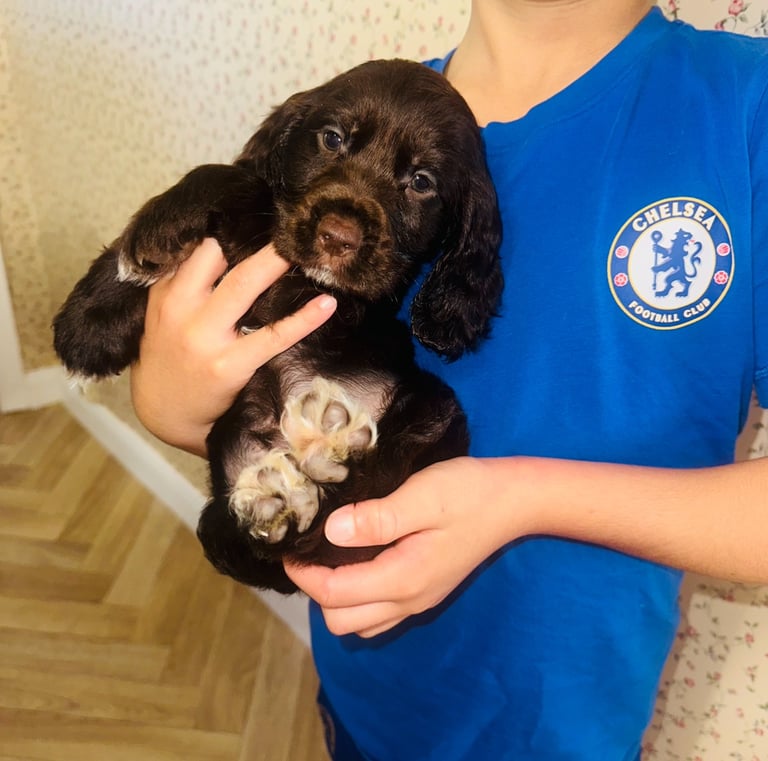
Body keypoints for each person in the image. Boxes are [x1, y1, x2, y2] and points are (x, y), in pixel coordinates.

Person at [130, 1, 768, 758]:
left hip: (562, 734)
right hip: (360, 697)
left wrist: (518, 498)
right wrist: (167, 401)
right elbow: (268, 397)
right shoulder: (362, 123)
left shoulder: (743, 111)